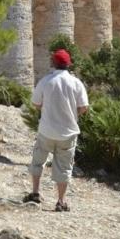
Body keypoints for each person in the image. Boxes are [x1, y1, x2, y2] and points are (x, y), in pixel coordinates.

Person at [24, 48, 88, 212]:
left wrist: (47, 109)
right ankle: (61, 201)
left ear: (53, 63)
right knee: (64, 167)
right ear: (68, 64)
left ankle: (35, 193)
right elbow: (84, 107)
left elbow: (36, 104)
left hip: (46, 130)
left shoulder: (45, 81)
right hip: (68, 131)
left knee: (38, 160)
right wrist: (72, 114)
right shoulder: (76, 83)